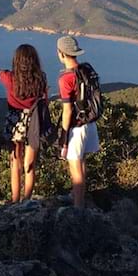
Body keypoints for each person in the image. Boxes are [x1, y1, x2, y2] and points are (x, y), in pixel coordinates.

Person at [0, 44, 49, 203]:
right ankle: (27, 199)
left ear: (17, 61)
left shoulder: (10, 78)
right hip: (35, 121)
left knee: (15, 161)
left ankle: (15, 200)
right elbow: (44, 100)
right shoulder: (41, 78)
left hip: (15, 121)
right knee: (30, 164)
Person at [56, 36, 101, 208]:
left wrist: (63, 136)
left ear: (61, 53)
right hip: (90, 124)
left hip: (76, 128)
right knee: (82, 163)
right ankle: (79, 198)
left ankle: (78, 207)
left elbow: (67, 111)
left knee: (75, 170)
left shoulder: (65, 78)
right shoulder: (86, 69)